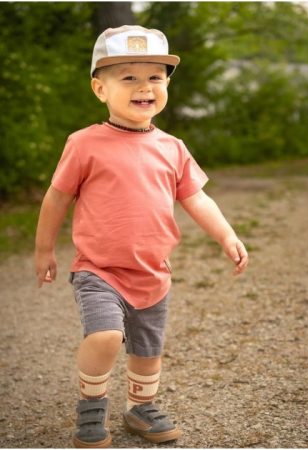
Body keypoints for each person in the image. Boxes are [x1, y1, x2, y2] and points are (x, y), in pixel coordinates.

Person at [34, 25, 249, 448]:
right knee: (106, 336)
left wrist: (227, 235)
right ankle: (92, 407)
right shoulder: (85, 143)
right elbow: (57, 197)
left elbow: (198, 199)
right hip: (99, 268)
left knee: (148, 351)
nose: (143, 86)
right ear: (100, 88)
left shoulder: (172, 146)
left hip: (153, 272)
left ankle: (139, 408)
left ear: (166, 85)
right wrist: (44, 249)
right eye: (128, 77)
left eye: (154, 76)